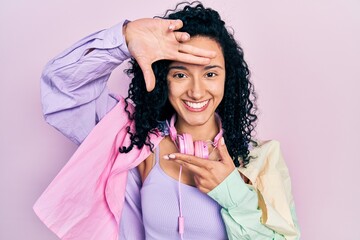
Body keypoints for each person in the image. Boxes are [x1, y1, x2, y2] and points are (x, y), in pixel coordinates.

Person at [34, 2, 300, 240]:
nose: (196, 91)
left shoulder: (260, 159)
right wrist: (122, 39)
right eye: (180, 75)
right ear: (164, 79)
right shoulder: (135, 143)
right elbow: (62, 92)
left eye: (210, 74)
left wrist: (232, 192)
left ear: (227, 80)